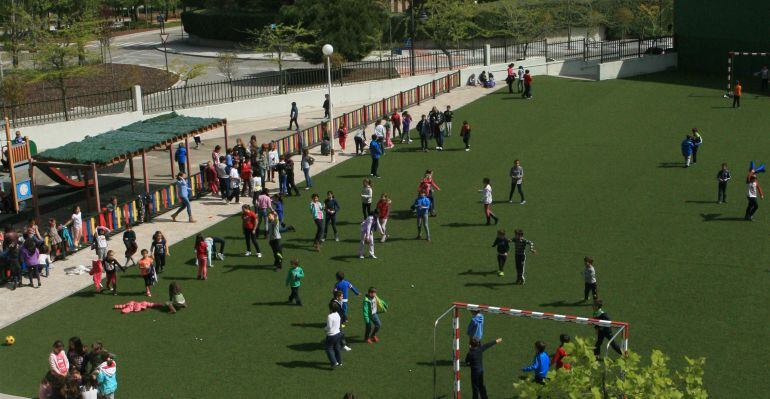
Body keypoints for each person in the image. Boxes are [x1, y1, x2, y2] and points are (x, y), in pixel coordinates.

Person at [325, 301, 343, 369]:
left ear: (330, 309)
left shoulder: (330, 316)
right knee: (337, 348)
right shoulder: (338, 314)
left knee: (328, 348)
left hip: (331, 335)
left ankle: (334, 362)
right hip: (338, 334)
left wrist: (325, 328)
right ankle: (339, 362)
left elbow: (329, 327)